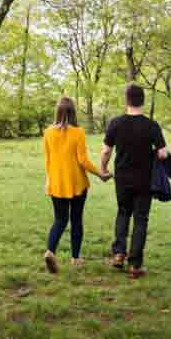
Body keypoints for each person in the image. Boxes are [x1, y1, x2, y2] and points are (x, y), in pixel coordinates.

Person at [100, 84, 168, 279]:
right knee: (140, 219)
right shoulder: (151, 125)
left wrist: (103, 169)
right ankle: (135, 266)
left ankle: (119, 254)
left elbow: (106, 151)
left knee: (123, 212)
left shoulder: (116, 123)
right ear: (143, 101)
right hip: (144, 180)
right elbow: (162, 153)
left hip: (122, 178)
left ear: (126, 100)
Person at [43, 96, 110, 273]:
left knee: (59, 220)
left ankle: (50, 251)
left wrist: (48, 180)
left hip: (56, 184)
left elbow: (48, 160)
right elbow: (83, 160)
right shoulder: (78, 132)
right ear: (73, 113)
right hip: (77, 183)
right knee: (76, 219)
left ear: (57, 112)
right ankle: (75, 257)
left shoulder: (48, 132)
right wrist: (100, 174)